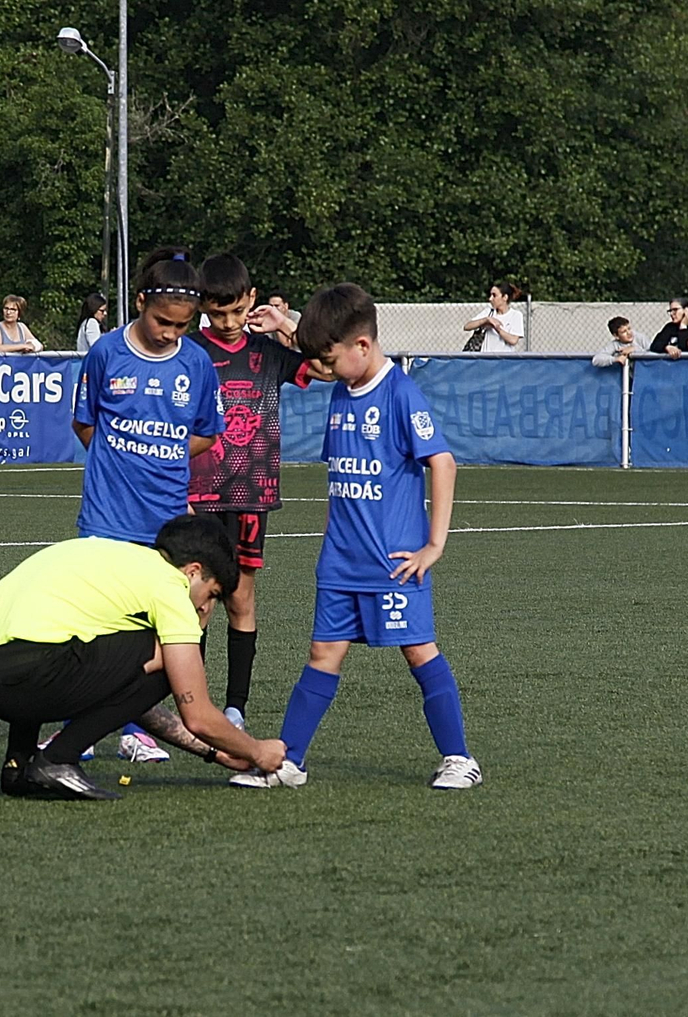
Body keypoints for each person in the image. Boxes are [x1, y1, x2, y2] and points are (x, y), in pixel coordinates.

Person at [231, 282, 481, 791]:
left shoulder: (399, 394)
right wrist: (286, 327)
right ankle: (289, 761)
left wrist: (434, 545)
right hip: (341, 563)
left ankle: (459, 758)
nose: (324, 369)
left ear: (362, 346)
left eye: (330, 359)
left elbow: (443, 462)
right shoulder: (343, 391)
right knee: (323, 656)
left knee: (419, 652)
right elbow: (341, 474)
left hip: (394, 562)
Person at [0, 514, 288, 800]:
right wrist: (257, 751)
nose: (205, 607)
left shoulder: (109, 557)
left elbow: (120, 692)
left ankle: (18, 765)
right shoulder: (169, 586)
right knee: (167, 657)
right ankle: (57, 760)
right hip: (16, 676)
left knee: (48, 641)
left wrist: (213, 751)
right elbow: (197, 716)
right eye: (211, 594)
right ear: (193, 571)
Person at [72, 246, 224, 762]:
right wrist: (118, 460)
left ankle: (134, 730)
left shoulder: (196, 363)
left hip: (166, 524)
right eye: (163, 322)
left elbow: (206, 432)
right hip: (106, 516)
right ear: (140, 303)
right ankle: (77, 731)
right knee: (93, 626)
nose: (170, 333)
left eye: (182, 326)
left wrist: (166, 452)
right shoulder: (106, 353)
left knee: (150, 634)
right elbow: (85, 423)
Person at [187, 252, 313, 730]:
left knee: (241, 599)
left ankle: (235, 708)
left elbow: (325, 367)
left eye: (237, 311)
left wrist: (286, 326)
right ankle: (194, 702)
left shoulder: (267, 351)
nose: (228, 322)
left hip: (252, 496)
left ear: (252, 300)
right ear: (203, 307)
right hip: (199, 496)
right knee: (197, 602)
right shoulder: (190, 353)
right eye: (218, 313)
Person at [462, 283, 524, 352]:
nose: (490, 299)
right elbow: (467, 327)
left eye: (494, 295)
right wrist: (486, 320)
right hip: (486, 356)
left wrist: (497, 328)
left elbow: (513, 340)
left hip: (504, 357)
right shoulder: (489, 312)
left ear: (505, 297)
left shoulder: (515, 315)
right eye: (490, 295)